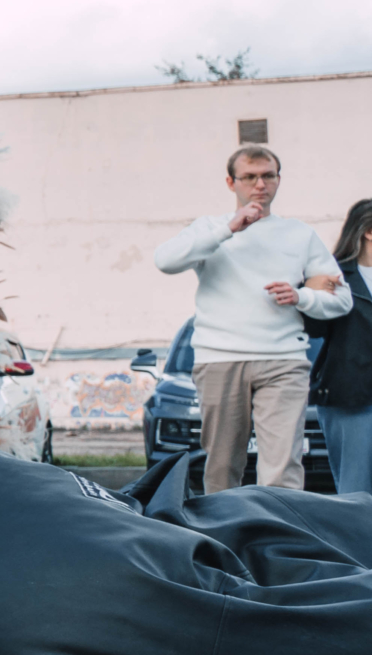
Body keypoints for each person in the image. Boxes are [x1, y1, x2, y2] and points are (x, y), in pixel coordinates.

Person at [155, 146, 351, 491]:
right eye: (249, 177)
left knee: (282, 466)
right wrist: (228, 229)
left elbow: (342, 300)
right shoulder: (210, 229)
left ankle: (278, 540)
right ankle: (224, 539)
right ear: (231, 182)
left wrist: (301, 296)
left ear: (278, 179)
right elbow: (165, 261)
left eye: (268, 176)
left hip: (284, 361)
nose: (260, 184)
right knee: (222, 463)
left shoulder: (299, 234)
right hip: (220, 359)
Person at [308, 199, 372, 494]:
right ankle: (357, 541)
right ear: (368, 231)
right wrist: (313, 294)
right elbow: (315, 329)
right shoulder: (334, 276)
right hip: (352, 396)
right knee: (356, 491)